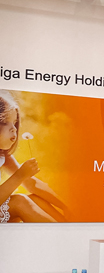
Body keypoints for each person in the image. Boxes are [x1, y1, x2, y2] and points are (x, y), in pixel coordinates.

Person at [0, 91, 68, 223]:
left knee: (36, 200)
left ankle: (69, 226)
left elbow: (31, 184)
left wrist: (66, 207)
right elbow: (21, 178)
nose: (14, 129)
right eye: (5, 122)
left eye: (14, 123)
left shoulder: (3, 155)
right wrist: (19, 175)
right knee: (20, 201)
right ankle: (62, 234)